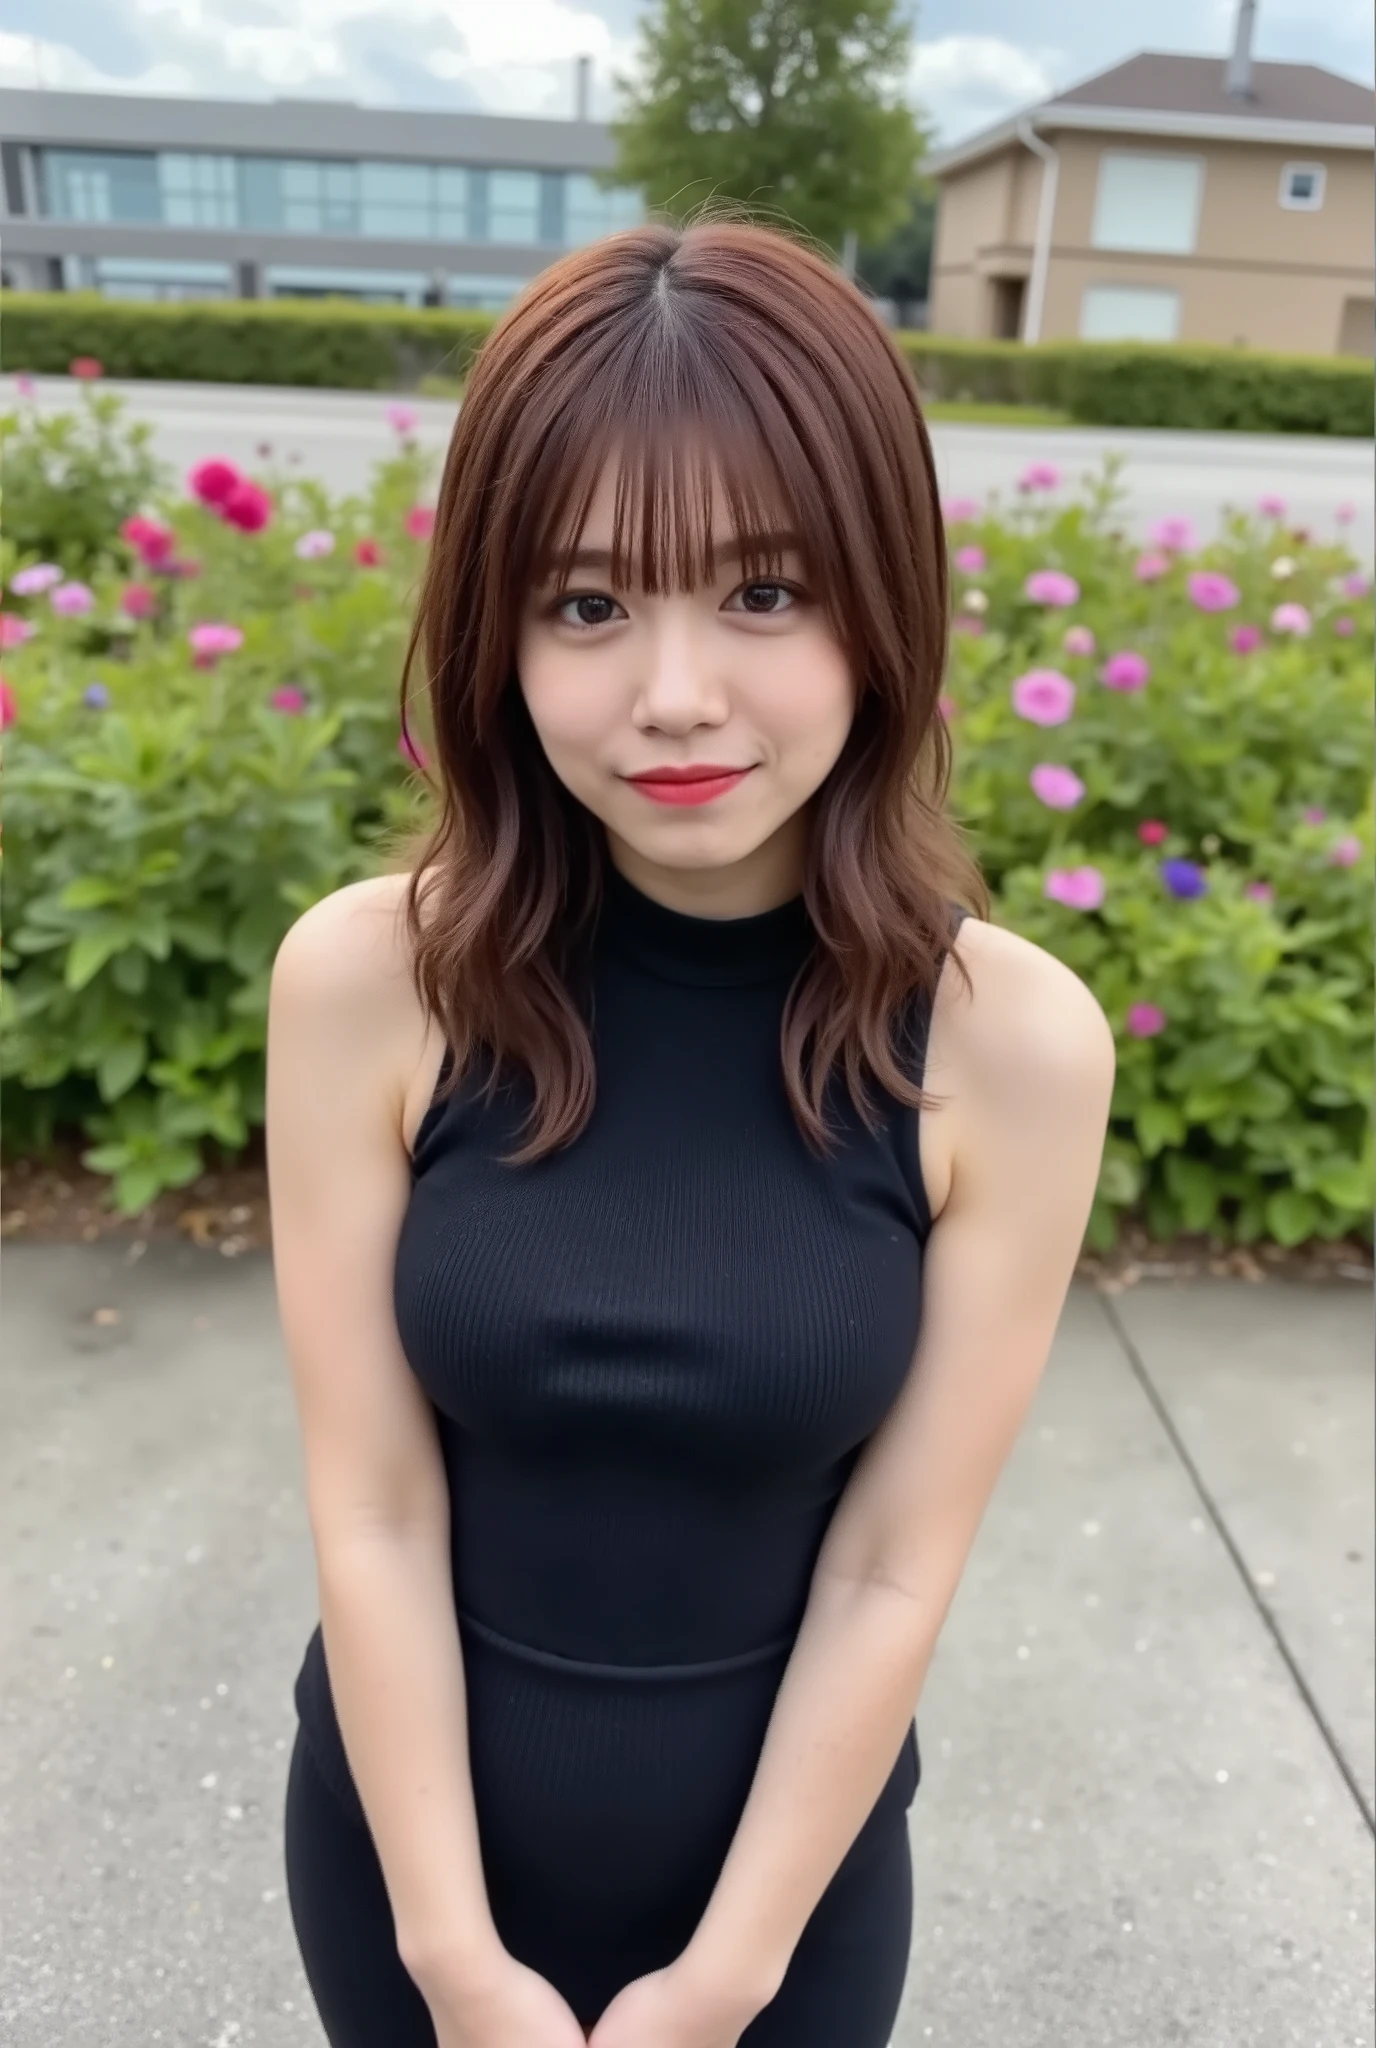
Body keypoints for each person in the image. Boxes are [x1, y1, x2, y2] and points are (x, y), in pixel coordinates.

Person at [265, 217, 1115, 2048]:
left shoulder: (1012, 1045)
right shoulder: (367, 983)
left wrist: (720, 1985)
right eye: (586, 603)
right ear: (497, 631)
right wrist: (452, 1962)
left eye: (762, 593)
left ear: (882, 603)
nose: (671, 695)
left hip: (783, 1920)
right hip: (411, 1888)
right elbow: (375, 1502)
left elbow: (897, 1560)